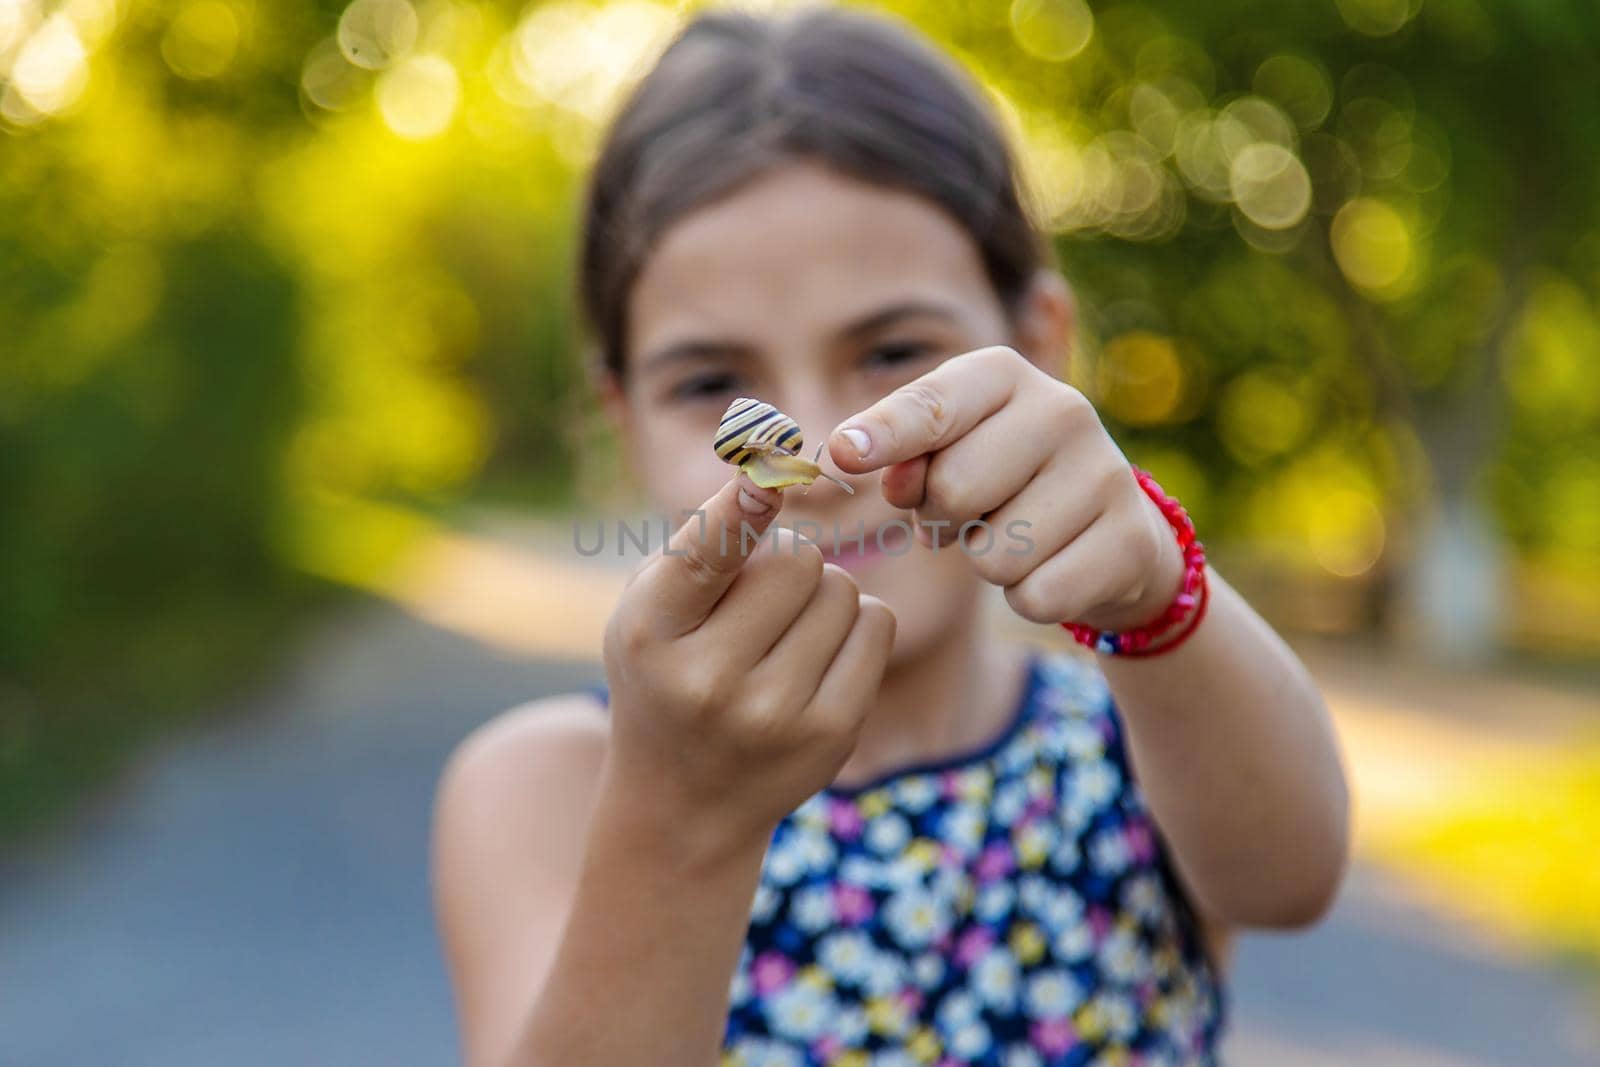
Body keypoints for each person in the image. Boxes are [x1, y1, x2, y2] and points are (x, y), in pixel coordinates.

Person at [430, 6, 1350, 1066]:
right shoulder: (552, 790)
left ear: (1038, 345)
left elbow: (1292, 879)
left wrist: (1156, 594)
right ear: (622, 417)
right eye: (715, 388)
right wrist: (680, 814)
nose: (815, 454)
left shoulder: (1145, 743)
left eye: (893, 350)